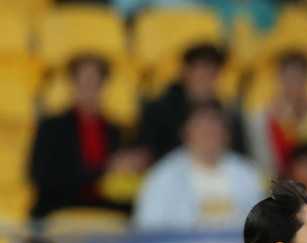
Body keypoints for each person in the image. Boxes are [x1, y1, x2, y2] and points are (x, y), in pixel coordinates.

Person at [29, 56, 148, 219]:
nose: (89, 90)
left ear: (104, 86)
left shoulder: (117, 131)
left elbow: (122, 185)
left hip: (109, 213)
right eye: (83, 83)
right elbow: (44, 178)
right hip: (60, 211)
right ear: (72, 86)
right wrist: (104, 169)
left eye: (95, 83)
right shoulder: (51, 128)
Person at [133, 101, 264, 232]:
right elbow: (149, 230)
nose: (207, 136)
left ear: (226, 134)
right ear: (186, 133)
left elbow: (261, 227)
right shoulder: (163, 177)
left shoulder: (247, 173)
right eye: (201, 129)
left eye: (213, 129)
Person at [138, 42, 247, 162]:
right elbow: (148, 155)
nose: (207, 78)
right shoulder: (158, 112)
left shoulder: (228, 114)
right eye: (201, 71)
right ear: (185, 73)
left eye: (212, 72)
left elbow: (239, 157)